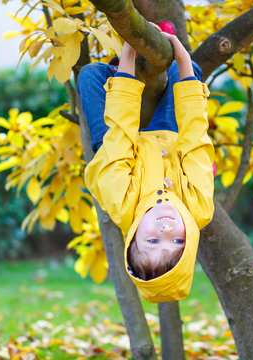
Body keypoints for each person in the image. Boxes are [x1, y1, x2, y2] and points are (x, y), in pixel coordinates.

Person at [77, 26, 215, 303]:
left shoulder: (121, 202)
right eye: (178, 242)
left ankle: (125, 71)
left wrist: (130, 50)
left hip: (120, 146)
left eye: (153, 242)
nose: (167, 232)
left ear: (133, 238)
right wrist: (181, 56)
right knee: (188, 72)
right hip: (169, 136)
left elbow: (119, 135)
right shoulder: (199, 208)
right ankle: (151, 65)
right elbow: (195, 138)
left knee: (90, 75)